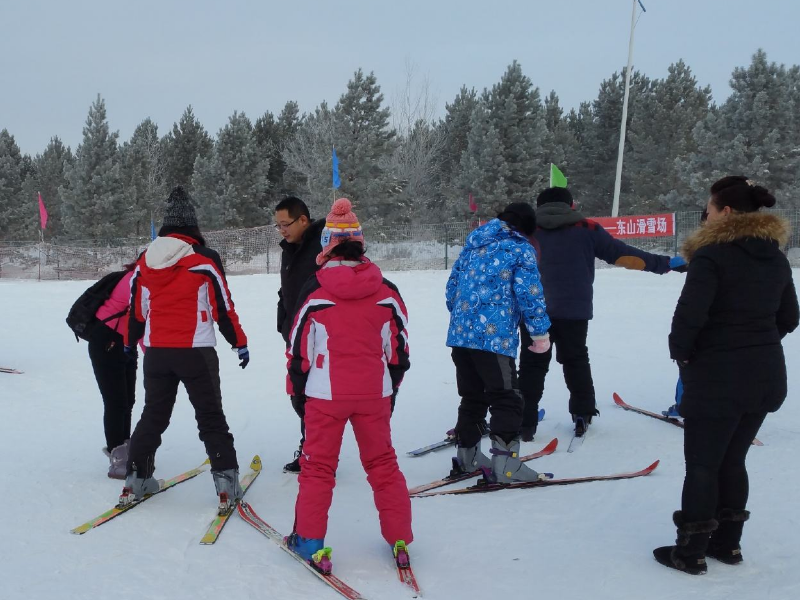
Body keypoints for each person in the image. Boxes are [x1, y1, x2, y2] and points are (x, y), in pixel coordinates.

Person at [654, 176, 798, 574]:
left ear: (726, 213)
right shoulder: (775, 255)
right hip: (766, 374)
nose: (705, 216)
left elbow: (688, 320)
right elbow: (790, 317)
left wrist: (685, 357)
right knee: (733, 460)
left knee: (703, 464)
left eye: (709, 209)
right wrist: (757, 341)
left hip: (719, 376)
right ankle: (728, 546)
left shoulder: (712, 255)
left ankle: (691, 551)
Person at [284, 198, 412, 574]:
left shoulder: (315, 291)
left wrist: (300, 393)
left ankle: (308, 541)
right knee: (383, 465)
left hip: (325, 396)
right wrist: (391, 390)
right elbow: (399, 352)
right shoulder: (386, 291)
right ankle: (400, 537)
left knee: (317, 469)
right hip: (374, 393)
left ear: (327, 244)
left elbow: (298, 353)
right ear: (360, 242)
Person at [518, 187, 687, 441]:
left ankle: (524, 422)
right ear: (570, 205)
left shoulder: (526, 231)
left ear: (538, 206)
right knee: (575, 360)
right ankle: (582, 414)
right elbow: (624, 255)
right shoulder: (586, 229)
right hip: (574, 310)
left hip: (533, 311)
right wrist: (664, 263)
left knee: (532, 364)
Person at [120, 186, 250, 511]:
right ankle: (226, 485)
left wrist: (128, 342)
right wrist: (239, 342)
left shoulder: (144, 259)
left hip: (158, 352)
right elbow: (223, 306)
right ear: (193, 227)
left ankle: (135, 480)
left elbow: (136, 309)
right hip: (196, 352)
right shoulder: (205, 259)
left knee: (153, 415)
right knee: (210, 416)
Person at [446, 202, 551, 483]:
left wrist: (464, 320)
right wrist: (540, 333)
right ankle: (507, 465)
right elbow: (530, 294)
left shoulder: (473, 245)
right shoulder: (520, 248)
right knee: (507, 397)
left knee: (472, 397)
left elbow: (452, 288)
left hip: (460, 335)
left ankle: (467, 458)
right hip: (494, 339)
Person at [275, 196, 325, 473]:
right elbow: (287, 289)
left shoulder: (322, 247)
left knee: (310, 396)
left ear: (303, 220)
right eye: (278, 225)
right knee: (298, 394)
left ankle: (315, 452)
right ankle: (313, 448)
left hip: (318, 338)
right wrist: (283, 318)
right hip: (294, 335)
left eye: (286, 224)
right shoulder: (289, 249)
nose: (282, 230)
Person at [88, 262, 137, 479]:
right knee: (116, 401)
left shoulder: (144, 279)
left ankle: (126, 449)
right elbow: (144, 317)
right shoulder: (134, 281)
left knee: (128, 399)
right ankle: (117, 457)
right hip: (106, 341)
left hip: (125, 343)